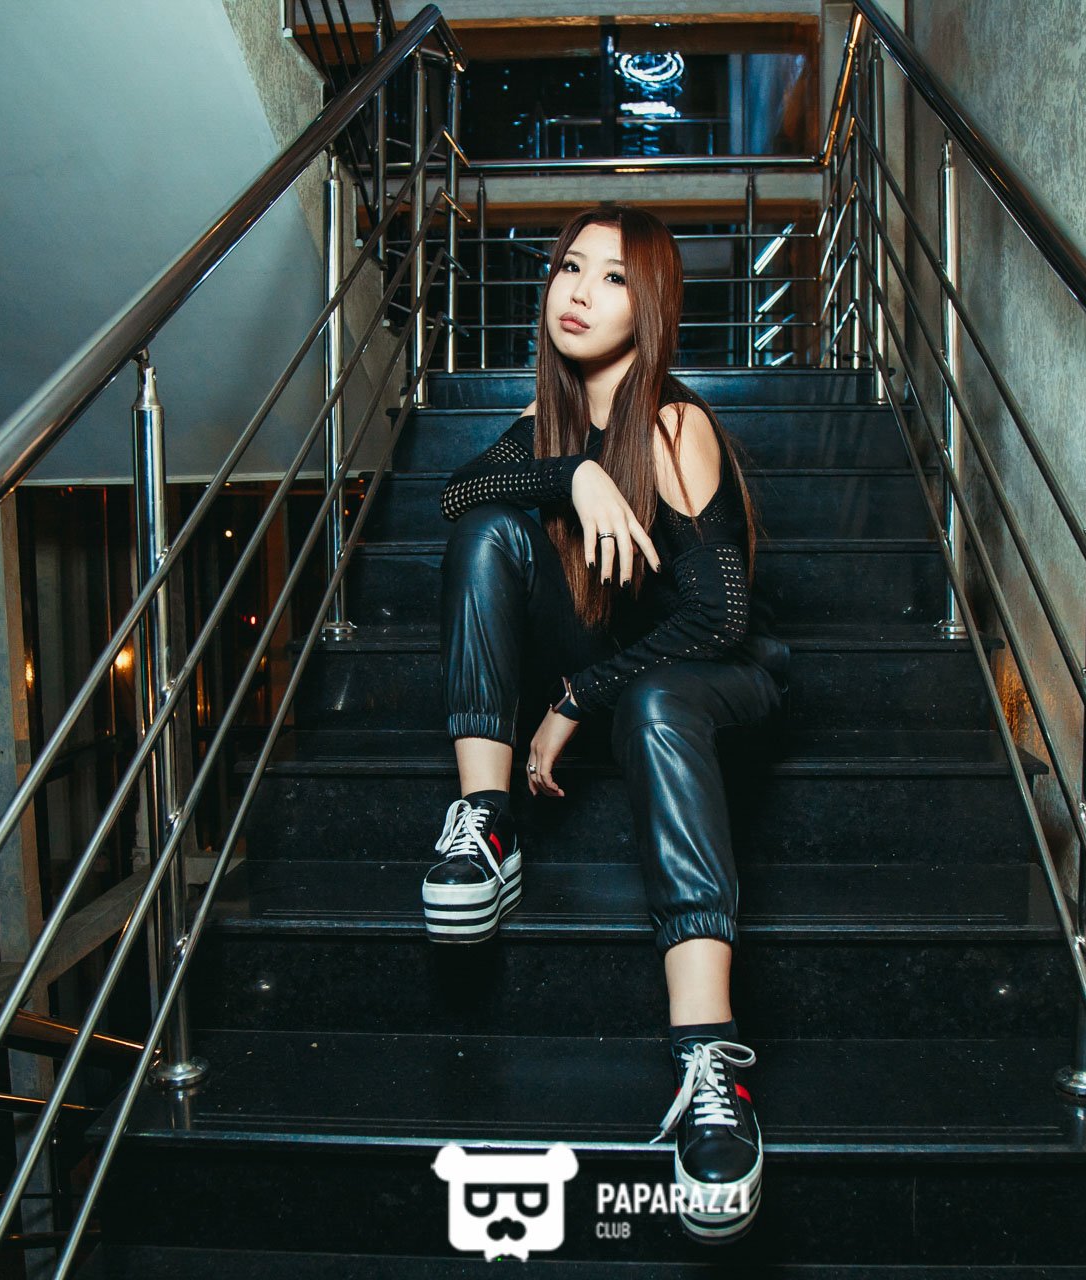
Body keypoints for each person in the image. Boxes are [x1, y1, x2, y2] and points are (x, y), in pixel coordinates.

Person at [422, 202, 791, 1244]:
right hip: (620, 671)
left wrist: (575, 700)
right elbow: (456, 493)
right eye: (569, 268)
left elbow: (718, 618)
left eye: (615, 277)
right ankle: (487, 825)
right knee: (488, 530)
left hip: (715, 677)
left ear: (653, 304)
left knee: (659, 703)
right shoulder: (552, 427)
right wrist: (572, 473)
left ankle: (711, 1064)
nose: (579, 291)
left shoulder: (673, 425)